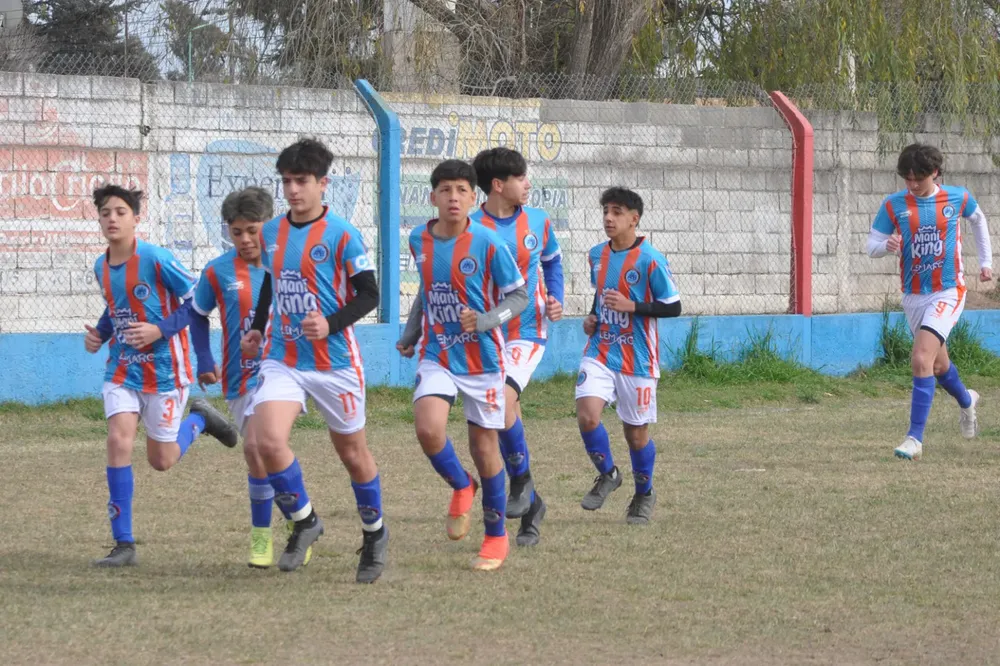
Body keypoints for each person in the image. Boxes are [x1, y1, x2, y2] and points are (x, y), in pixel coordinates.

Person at [240, 138, 387, 583]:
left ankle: (374, 534)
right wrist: (258, 325)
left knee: (352, 452)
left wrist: (331, 323)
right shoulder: (271, 233)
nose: (292, 191)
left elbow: (369, 294)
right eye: (286, 182)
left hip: (335, 363)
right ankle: (305, 521)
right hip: (282, 357)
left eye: (301, 181)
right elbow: (271, 283)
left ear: (323, 183)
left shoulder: (342, 234)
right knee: (266, 441)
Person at [84, 185, 238, 568]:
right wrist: (100, 334)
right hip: (122, 368)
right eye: (105, 212)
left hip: (167, 371)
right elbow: (114, 308)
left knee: (162, 460)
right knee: (118, 441)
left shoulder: (155, 258)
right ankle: (124, 544)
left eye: (121, 211)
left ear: (137, 218)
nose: (112, 219)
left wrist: (160, 330)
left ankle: (200, 419)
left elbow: (196, 303)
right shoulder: (100, 266)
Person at [395, 158, 528, 571]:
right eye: (445, 190)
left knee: (484, 447)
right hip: (439, 353)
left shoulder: (489, 243)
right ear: (432, 196)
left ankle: (494, 538)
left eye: (462, 191)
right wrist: (413, 331)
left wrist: (486, 320)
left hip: (484, 360)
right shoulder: (419, 239)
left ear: (474, 197)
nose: (453, 198)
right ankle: (460, 484)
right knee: (428, 428)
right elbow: (428, 290)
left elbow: (518, 298)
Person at [190, 187, 313, 569]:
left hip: (282, 371)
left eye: (252, 230)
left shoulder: (289, 264)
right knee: (259, 457)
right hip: (237, 375)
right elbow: (197, 314)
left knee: (259, 446)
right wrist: (206, 357)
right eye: (236, 231)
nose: (245, 239)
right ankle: (301, 523)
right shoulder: (218, 271)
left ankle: (272, 534)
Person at [867, 143, 993, 461]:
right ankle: (967, 401)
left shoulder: (956, 197)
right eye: (907, 178)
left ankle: (914, 439)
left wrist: (986, 263)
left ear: (934, 173)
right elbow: (872, 245)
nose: (912, 184)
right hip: (913, 296)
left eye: (918, 178)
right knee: (938, 365)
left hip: (948, 291)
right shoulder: (894, 205)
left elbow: (979, 220)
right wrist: (887, 244)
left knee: (921, 358)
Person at [469, 147, 563, 547]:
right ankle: (532, 504)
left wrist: (555, 297)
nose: (528, 184)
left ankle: (521, 482)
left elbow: (553, 262)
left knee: (502, 403)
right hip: (488, 334)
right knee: (493, 426)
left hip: (527, 328)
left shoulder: (538, 222)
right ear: (498, 185)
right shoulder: (471, 227)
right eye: (521, 177)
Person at [575, 187, 681, 525]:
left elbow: (673, 306)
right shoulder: (596, 255)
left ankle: (643, 493)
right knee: (588, 415)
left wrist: (632, 306)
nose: (608, 217)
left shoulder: (651, 259)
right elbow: (601, 296)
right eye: (606, 210)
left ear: (634, 219)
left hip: (638, 358)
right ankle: (608, 474)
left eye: (617, 212)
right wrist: (592, 317)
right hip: (601, 349)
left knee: (636, 435)